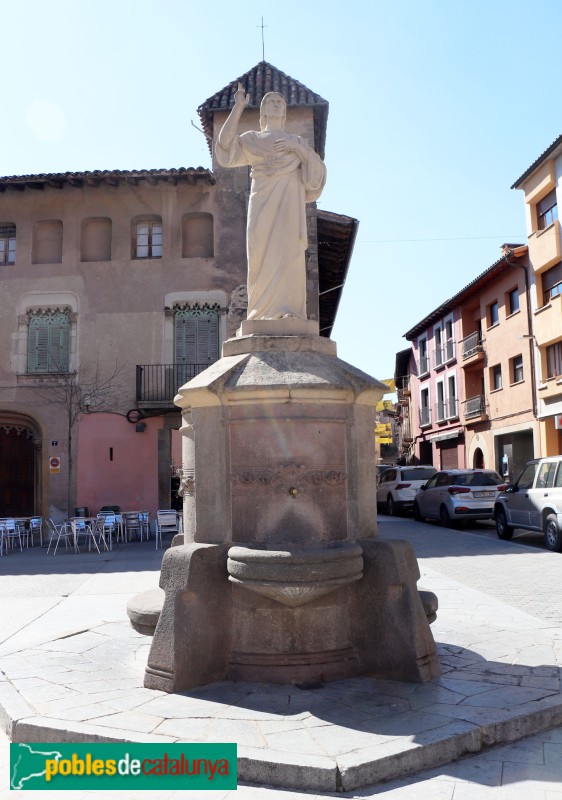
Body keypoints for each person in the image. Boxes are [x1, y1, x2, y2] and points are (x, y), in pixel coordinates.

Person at [216, 83, 326, 321]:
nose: (275, 104)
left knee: (290, 254)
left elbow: (317, 175)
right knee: (260, 255)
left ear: (284, 111)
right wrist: (237, 108)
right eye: (270, 102)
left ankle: (290, 311)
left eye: (279, 102)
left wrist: (298, 148)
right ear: (263, 111)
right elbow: (225, 150)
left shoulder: (295, 141)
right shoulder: (253, 139)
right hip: (262, 202)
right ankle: (260, 313)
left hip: (289, 204)